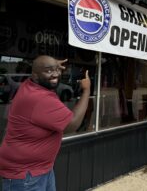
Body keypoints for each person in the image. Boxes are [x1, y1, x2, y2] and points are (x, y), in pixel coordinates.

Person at [0, 55, 91, 191]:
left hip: (41, 169)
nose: (55, 74)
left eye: (56, 70)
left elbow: (43, 70)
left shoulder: (30, 84)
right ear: (35, 76)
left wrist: (51, 66)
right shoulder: (39, 98)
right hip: (26, 176)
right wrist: (86, 90)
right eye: (48, 71)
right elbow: (73, 124)